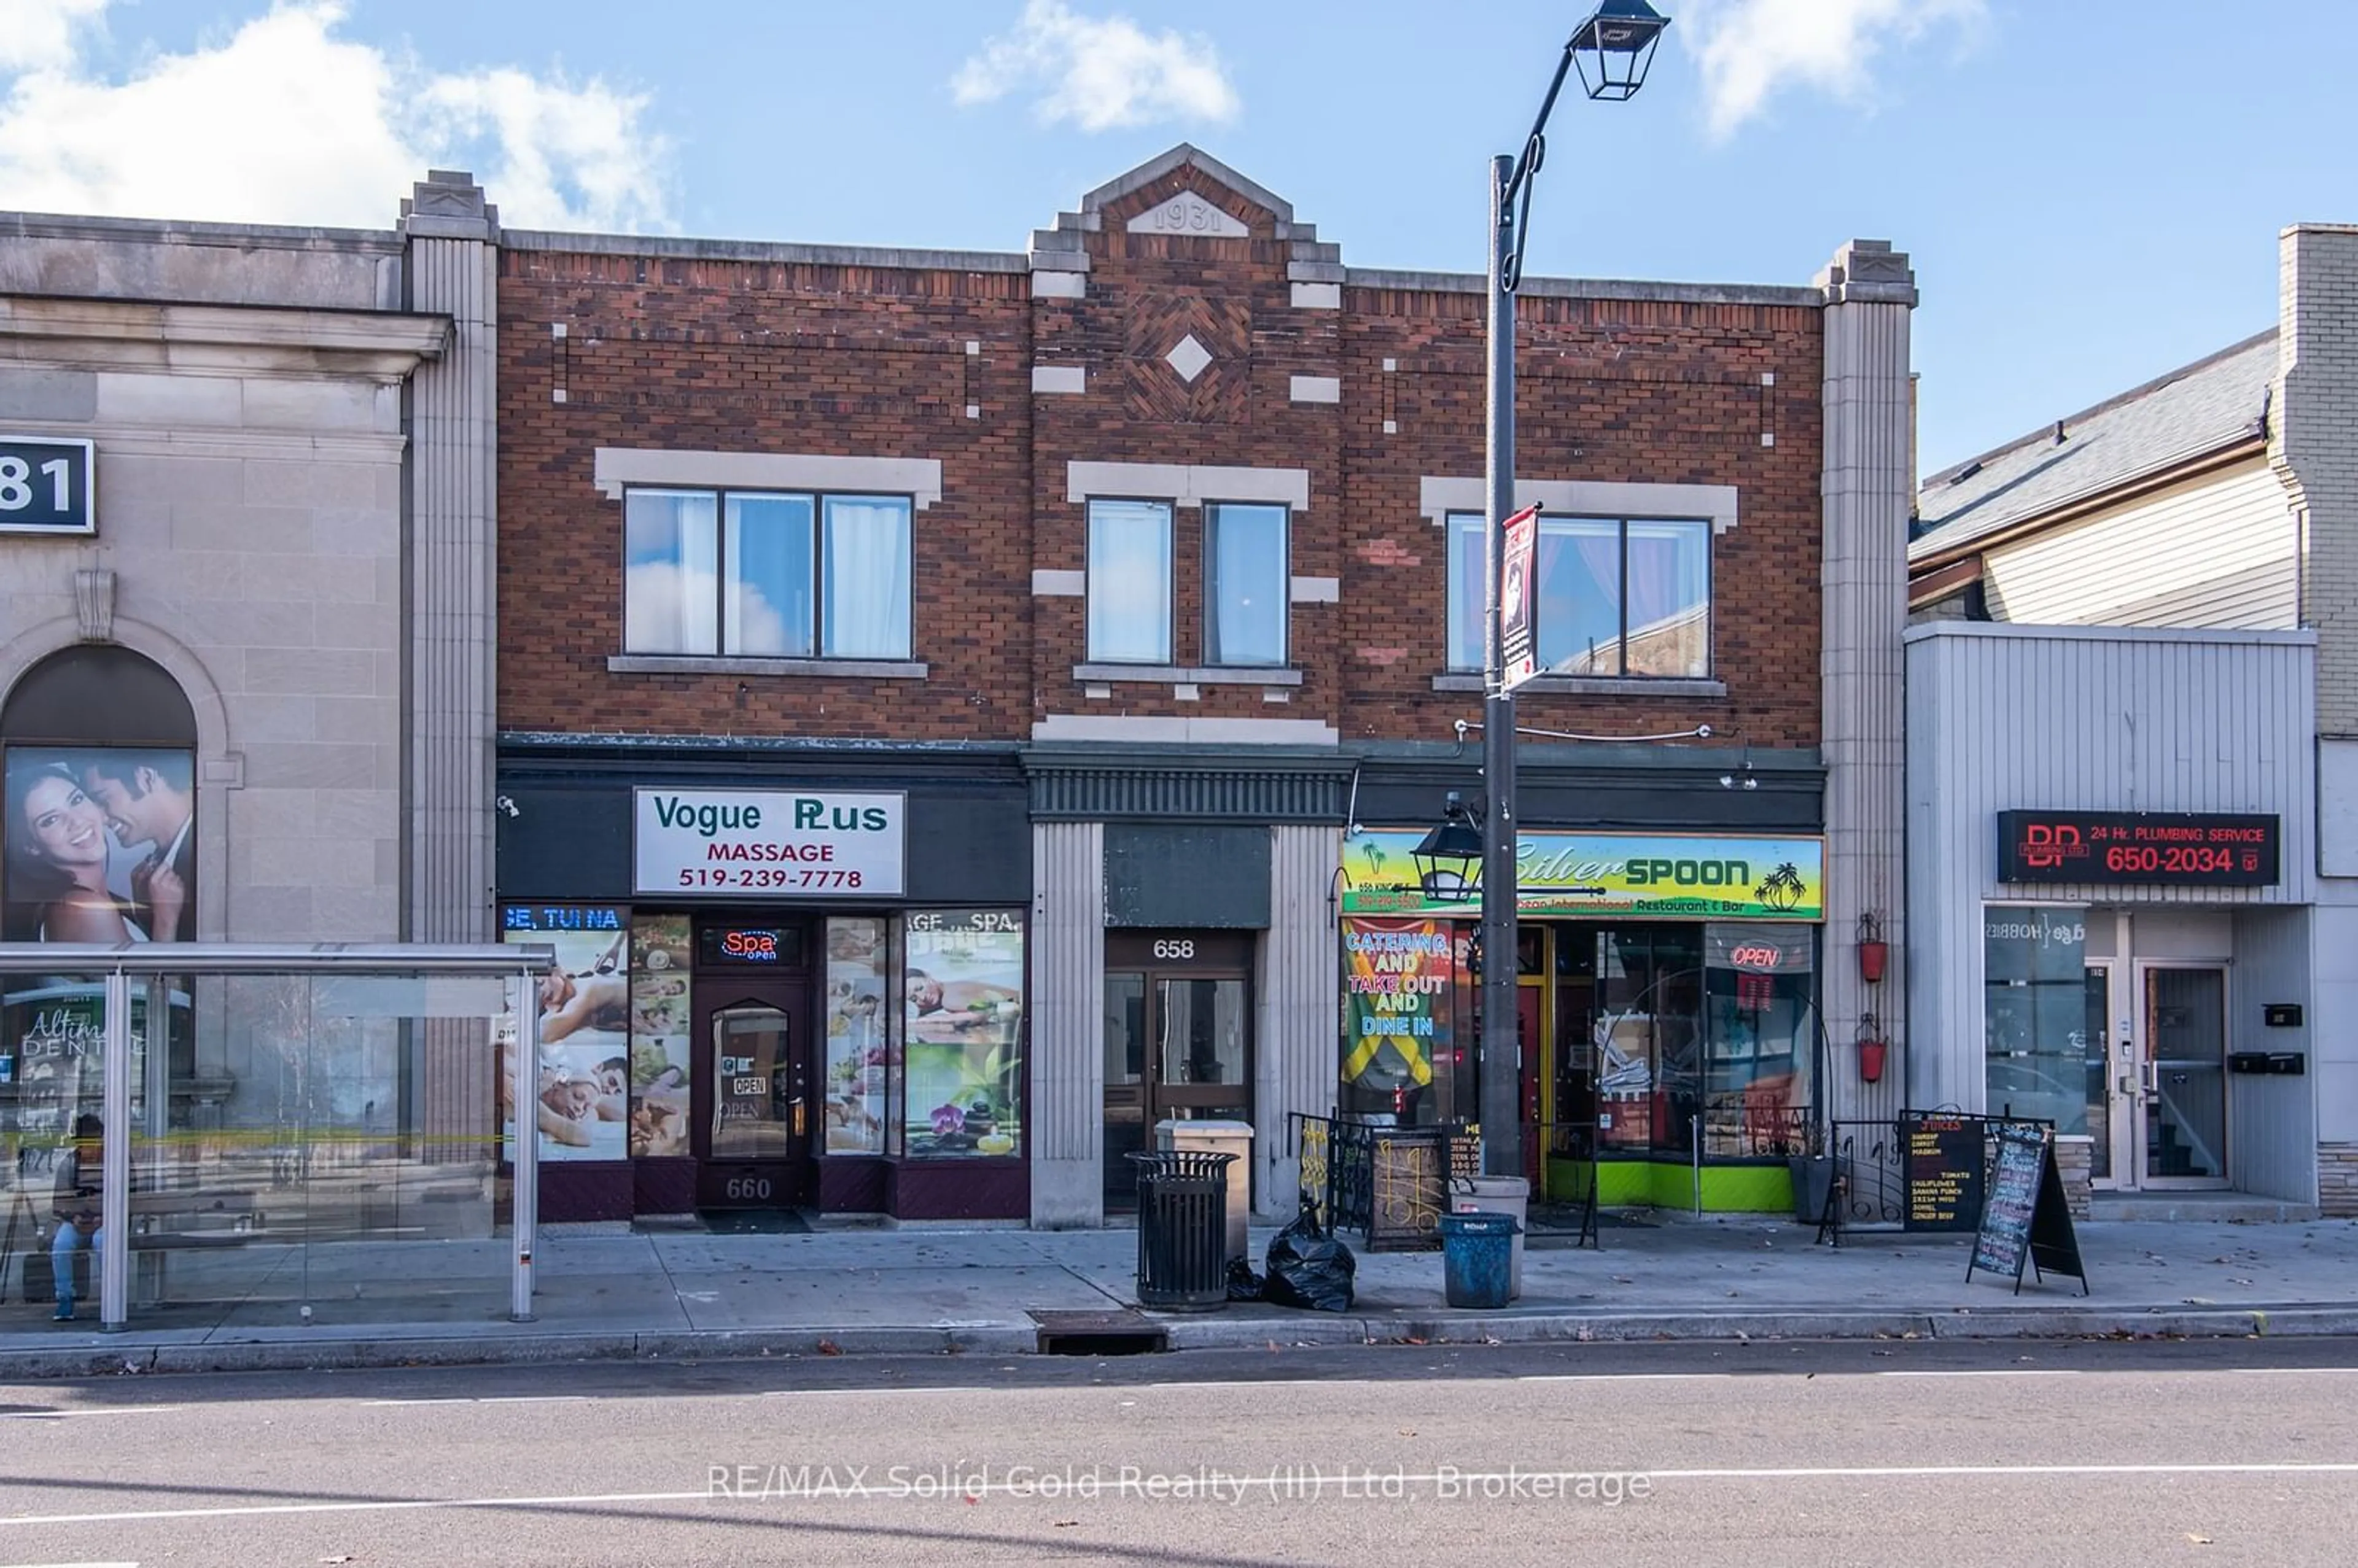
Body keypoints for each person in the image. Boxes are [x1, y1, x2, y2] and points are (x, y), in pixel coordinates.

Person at [6, 760, 174, 944]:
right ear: (32, 846)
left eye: (76, 800)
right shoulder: (82, 908)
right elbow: (155, 974)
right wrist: (166, 919)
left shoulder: (92, 900)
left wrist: (144, 910)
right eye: (51, 820)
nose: (77, 821)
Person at [80, 754, 195, 942]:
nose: (100, 818)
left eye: (103, 799)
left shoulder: (213, 854)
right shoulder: (157, 869)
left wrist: (165, 920)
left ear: (146, 779)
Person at [50, 1114, 102, 1322]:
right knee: (61, 1245)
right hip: (77, 1221)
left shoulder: (117, 1161)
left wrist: (106, 1218)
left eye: (94, 1143)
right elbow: (59, 1202)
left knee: (103, 1241)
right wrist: (73, 1218)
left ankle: (110, 1296)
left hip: (107, 1221)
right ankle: (65, 1297)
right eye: (85, 1144)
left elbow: (129, 1198)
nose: (90, 1150)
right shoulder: (70, 1164)